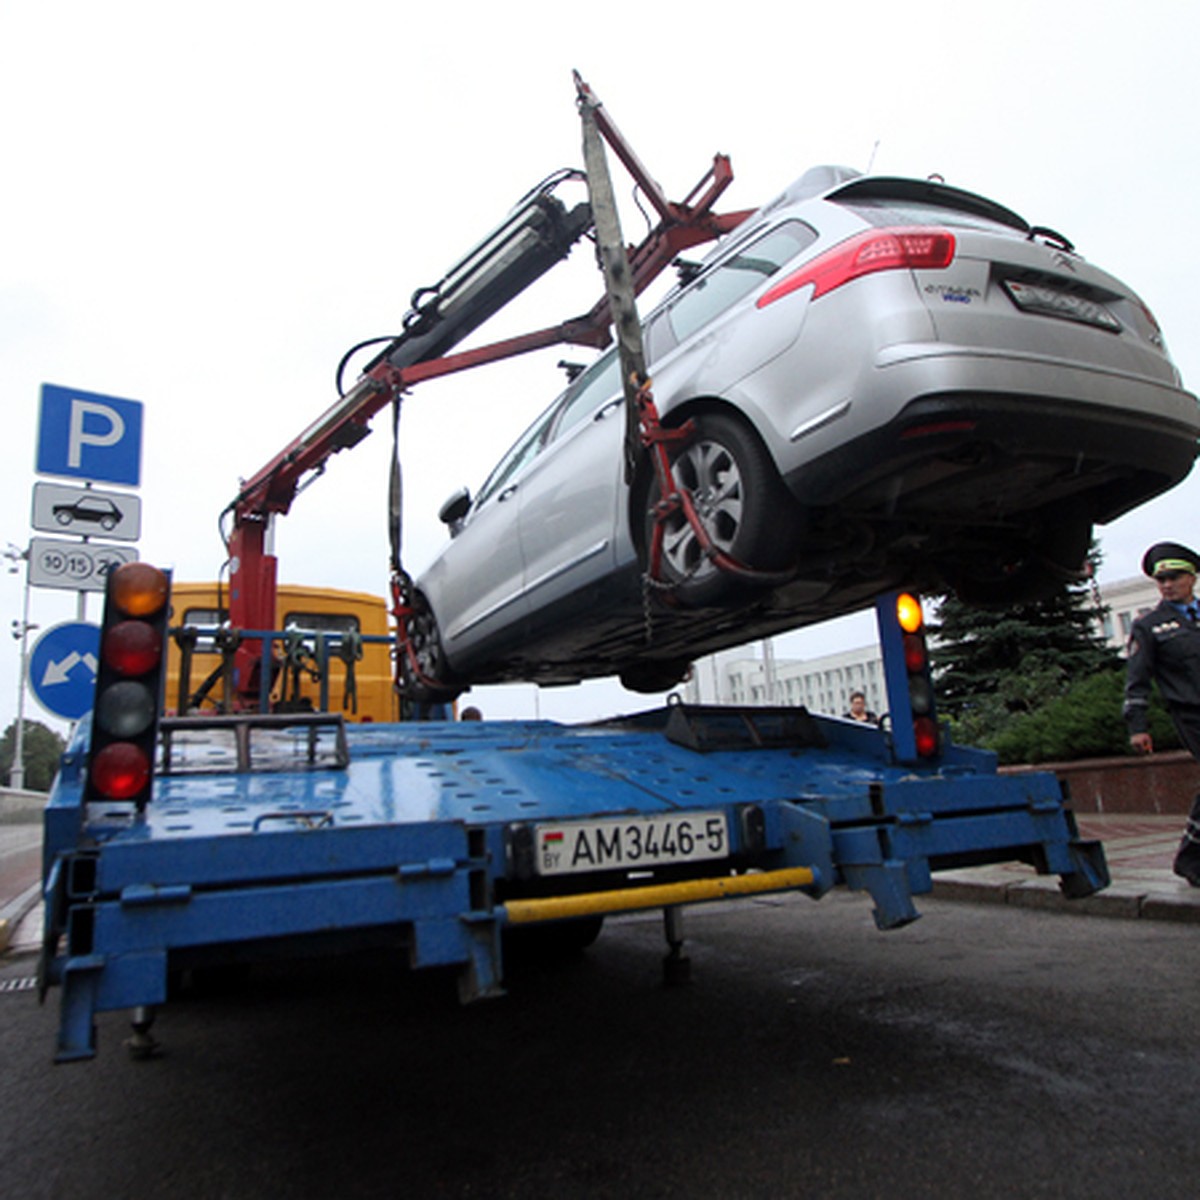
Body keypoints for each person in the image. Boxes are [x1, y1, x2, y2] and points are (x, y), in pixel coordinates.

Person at [1123, 540, 1200, 886]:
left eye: (1174, 577)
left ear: (1192, 578)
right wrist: (1137, 727)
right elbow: (1136, 680)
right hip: (1191, 714)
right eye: (1161, 580)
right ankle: (1191, 857)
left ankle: (1191, 855)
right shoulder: (1149, 625)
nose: (1167, 585)